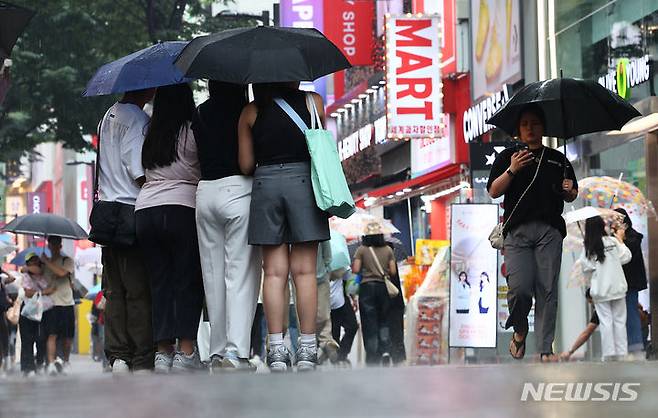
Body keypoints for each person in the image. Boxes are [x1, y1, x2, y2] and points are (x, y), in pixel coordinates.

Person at [238, 82, 330, 372]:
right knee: (305, 272)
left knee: (274, 273)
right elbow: (320, 146)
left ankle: (276, 350)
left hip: (266, 185)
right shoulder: (313, 101)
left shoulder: (251, 111)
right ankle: (307, 349)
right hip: (305, 185)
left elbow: (245, 165)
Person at [487, 105, 578, 362]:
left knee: (547, 289)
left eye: (535, 123)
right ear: (518, 130)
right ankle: (520, 329)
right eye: (525, 124)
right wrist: (513, 169)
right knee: (520, 288)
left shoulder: (558, 159)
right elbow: (494, 191)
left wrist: (569, 189)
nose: (530, 128)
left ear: (543, 127)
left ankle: (545, 349)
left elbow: (571, 194)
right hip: (517, 233)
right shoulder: (508, 156)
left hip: (549, 231)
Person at [135, 83, 204, 373]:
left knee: (159, 283)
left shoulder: (150, 132)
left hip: (146, 210)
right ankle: (186, 352)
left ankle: (163, 353)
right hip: (182, 209)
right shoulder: (191, 130)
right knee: (187, 281)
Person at [193, 81, 261, 372]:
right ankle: (236, 352)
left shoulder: (200, 112)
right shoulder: (245, 111)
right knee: (240, 274)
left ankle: (217, 351)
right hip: (239, 190)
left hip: (205, 191)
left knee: (213, 276)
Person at [97, 88, 155, 373]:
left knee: (114, 290)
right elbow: (138, 170)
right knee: (137, 289)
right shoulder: (137, 118)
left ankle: (117, 355)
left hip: (106, 212)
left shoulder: (107, 116)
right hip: (130, 209)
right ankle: (141, 355)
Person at [579, 216, 631, 361]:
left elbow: (586, 267)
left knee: (606, 322)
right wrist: (620, 240)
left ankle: (608, 355)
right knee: (620, 321)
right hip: (618, 288)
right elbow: (626, 257)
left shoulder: (588, 247)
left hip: (601, 291)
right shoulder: (613, 242)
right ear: (602, 226)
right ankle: (622, 353)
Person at [352, 223, 396, 366]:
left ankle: (372, 354)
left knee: (369, 322)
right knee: (384, 320)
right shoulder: (388, 249)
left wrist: (363, 266)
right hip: (383, 288)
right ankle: (385, 351)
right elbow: (393, 271)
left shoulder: (361, 250)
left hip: (367, 289)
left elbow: (356, 269)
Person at [613, 208, 648, 356]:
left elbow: (627, 255)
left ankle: (635, 344)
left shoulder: (633, 237)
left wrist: (619, 239)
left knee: (631, 311)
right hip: (622, 282)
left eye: (616, 221)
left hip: (631, 283)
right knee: (623, 314)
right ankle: (625, 345)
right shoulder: (615, 238)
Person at [39, 236, 75, 375]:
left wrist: (46, 262)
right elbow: (34, 273)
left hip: (66, 304)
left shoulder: (67, 261)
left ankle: (65, 360)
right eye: (51, 244)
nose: (53, 247)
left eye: (56, 244)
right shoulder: (44, 264)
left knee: (67, 337)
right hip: (51, 305)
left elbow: (61, 273)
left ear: (60, 246)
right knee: (51, 335)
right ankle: (51, 363)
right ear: (48, 246)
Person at [19, 254, 54, 376]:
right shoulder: (25, 275)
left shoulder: (43, 276)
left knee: (41, 338)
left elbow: (52, 288)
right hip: (28, 311)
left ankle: (40, 362)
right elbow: (28, 293)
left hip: (43, 311)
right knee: (27, 339)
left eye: (36, 262)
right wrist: (43, 292)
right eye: (31, 263)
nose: (34, 265)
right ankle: (28, 367)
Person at [315, 241, 340, 364]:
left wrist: (327, 268)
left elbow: (327, 254)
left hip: (321, 276)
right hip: (300, 276)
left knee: (323, 314)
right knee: (304, 315)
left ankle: (325, 341)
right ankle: (322, 342)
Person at [560, 290, 599, 361]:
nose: (592, 306)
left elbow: (586, 334)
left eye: (591, 302)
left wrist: (570, 352)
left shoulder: (600, 310)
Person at [330, 268, 358, 365]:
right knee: (352, 326)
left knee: (335, 330)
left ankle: (338, 355)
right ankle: (340, 354)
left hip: (328, 300)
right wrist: (354, 298)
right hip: (339, 301)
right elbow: (351, 279)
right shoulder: (341, 260)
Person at [385, 241, 406, 364]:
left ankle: (389, 352)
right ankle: (398, 356)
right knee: (397, 329)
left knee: (388, 328)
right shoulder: (392, 265)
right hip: (396, 302)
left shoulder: (382, 265)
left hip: (388, 302)